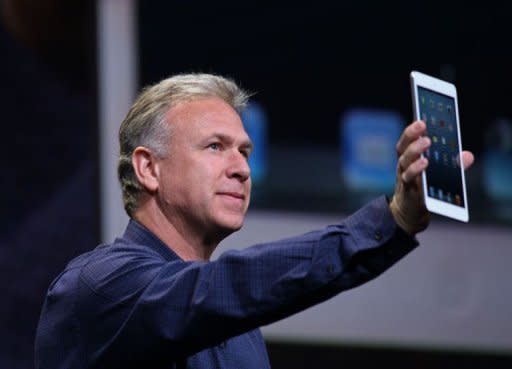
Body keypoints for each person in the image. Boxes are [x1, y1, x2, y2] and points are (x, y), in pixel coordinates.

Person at [34, 73, 474, 369]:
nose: (241, 168)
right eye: (215, 147)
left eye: (244, 151)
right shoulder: (98, 287)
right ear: (149, 168)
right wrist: (392, 220)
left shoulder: (242, 336)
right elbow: (223, 288)